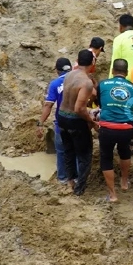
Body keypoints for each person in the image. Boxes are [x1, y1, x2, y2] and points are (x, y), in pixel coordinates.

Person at [97, 58, 133, 202]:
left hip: (107, 128)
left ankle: (112, 195)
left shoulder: (102, 84)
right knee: (125, 152)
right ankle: (124, 182)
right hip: (126, 129)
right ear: (127, 72)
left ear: (112, 71)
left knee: (106, 158)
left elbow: (101, 104)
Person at [58, 49, 99, 196]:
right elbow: (79, 109)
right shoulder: (86, 82)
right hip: (75, 121)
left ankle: (71, 181)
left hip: (62, 116)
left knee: (68, 152)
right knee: (85, 156)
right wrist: (92, 121)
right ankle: (79, 189)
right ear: (92, 63)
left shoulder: (69, 75)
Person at [37, 57, 75, 191]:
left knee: (62, 151)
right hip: (79, 122)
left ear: (57, 70)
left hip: (62, 122)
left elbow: (48, 105)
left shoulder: (55, 84)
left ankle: (63, 178)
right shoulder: (80, 80)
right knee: (77, 150)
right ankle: (77, 178)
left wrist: (40, 123)